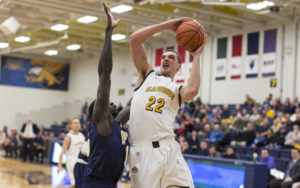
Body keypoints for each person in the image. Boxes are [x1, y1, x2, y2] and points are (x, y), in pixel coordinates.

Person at [129, 15, 207, 187]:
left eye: (171, 57)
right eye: (164, 57)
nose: (165, 59)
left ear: (178, 67)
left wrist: (196, 56)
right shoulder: (146, 75)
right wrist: (167, 25)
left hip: (168, 148)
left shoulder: (176, 90)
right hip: (142, 151)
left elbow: (193, 89)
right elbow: (134, 40)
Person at [73, 3, 131, 188]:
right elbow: (105, 73)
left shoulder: (116, 123)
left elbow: (132, 104)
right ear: (100, 110)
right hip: (94, 183)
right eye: (109, 103)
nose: (113, 104)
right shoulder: (101, 124)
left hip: (111, 184)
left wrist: (150, 79)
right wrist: (108, 32)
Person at [57, 118, 85, 187]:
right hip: (72, 162)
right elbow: (62, 152)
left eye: (78, 123)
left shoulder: (82, 136)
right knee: (76, 183)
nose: (77, 124)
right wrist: (59, 165)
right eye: (74, 123)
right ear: (71, 126)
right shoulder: (69, 137)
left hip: (82, 162)